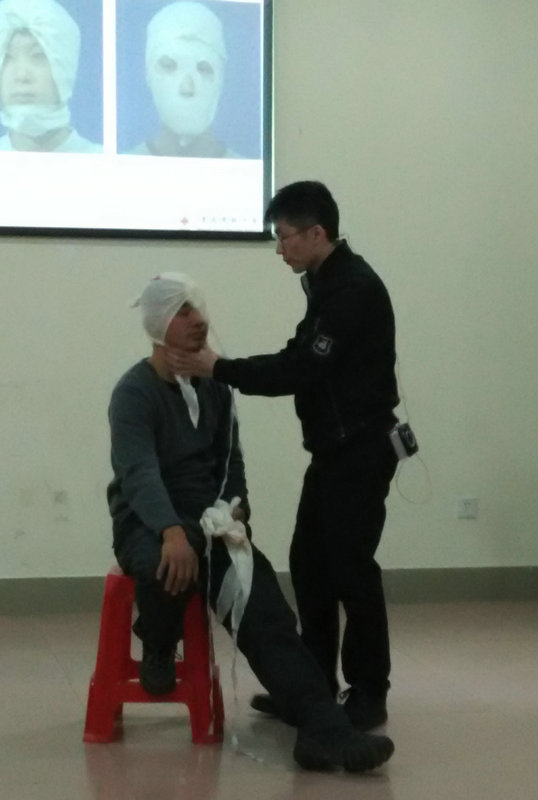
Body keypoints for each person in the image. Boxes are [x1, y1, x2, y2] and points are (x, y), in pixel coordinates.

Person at [107, 271, 394, 773]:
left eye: (198, 308)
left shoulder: (215, 389)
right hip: (149, 523)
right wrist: (171, 531)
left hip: (211, 522)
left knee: (267, 612)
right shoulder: (135, 392)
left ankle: (322, 729)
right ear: (158, 324)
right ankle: (158, 642)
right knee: (164, 566)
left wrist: (235, 510)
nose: (199, 320)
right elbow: (139, 474)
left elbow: (230, 462)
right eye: (183, 312)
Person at [165, 181, 400, 732]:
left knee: (351, 570)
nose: (279, 249)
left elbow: (303, 369)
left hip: (360, 451)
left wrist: (220, 369)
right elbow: (300, 353)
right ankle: (312, 687)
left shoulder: (353, 289)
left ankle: (370, 692)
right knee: (310, 565)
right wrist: (226, 369)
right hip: (333, 452)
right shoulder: (325, 283)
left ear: (317, 233)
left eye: (285, 236)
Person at [129, 1, 237, 158]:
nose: (187, 88)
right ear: (148, 77)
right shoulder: (121, 168)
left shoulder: (245, 169)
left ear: (221, 80)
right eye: (168, 66)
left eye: (203, 69)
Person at [0, 0, 101, 152]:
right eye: (7, 57)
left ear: (66, 68)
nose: (22, 75)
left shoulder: (105, 162)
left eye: (38, 55)